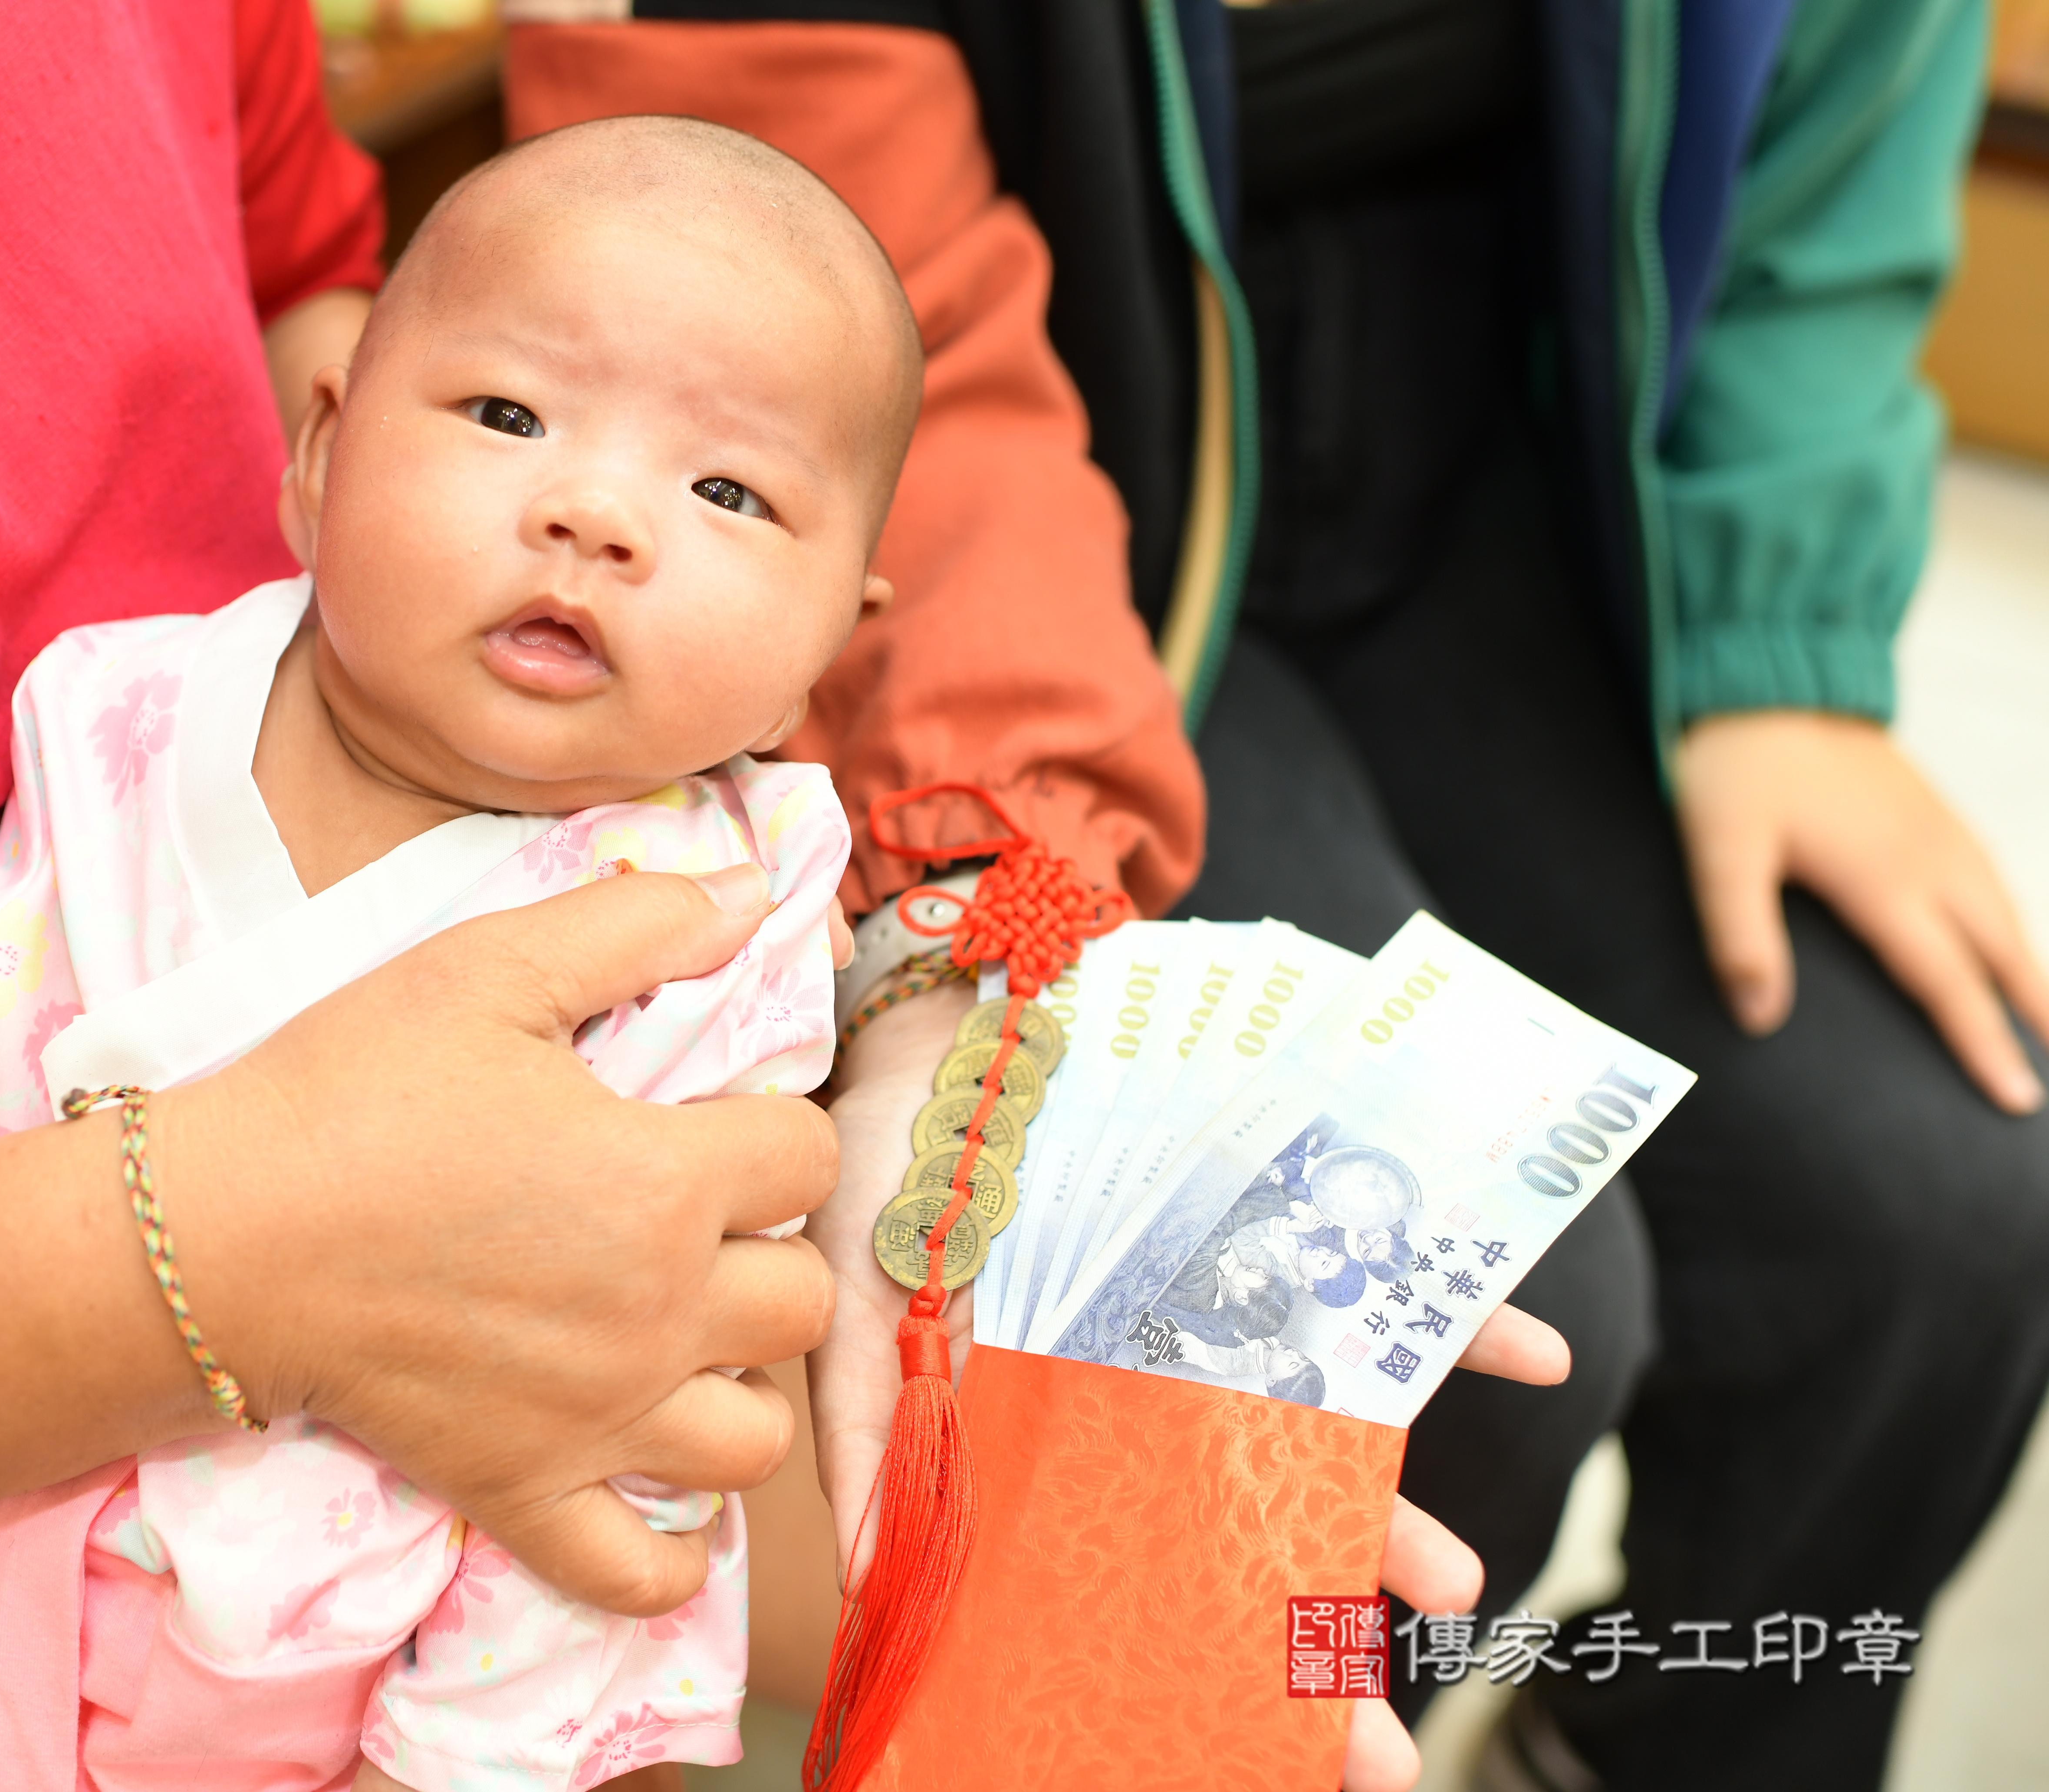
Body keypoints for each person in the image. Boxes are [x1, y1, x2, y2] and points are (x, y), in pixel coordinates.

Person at [502, 3, 2049, 1790]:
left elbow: (1835, 92)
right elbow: (833, 311)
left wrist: (1781, 641)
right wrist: (984, 887)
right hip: (1022, 517)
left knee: (1940, 1203)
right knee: (1420, 1329)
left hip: (1506, 455)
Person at [0, 115, 917, 1792]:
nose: (594, 512)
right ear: (322, 456)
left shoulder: (720, 915)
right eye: (509, 414)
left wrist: (470, 1749)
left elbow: (650, 1372)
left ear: (822, 653)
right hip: (18, 1527)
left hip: (394, 1611)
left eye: (727, 491)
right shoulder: (134, 712)